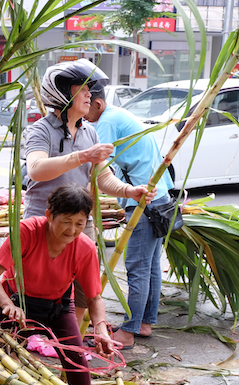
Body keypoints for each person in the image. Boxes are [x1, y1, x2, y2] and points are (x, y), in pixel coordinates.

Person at [24, 59, 155, 323]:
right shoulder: (40, 130)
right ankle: (34, 333)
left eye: (90, 89)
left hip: (81, 222)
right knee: (37, 283)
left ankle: (72, 335)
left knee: (82, 284)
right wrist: (82, 156)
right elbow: (36, 169)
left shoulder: (90, 132)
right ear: (61, 91)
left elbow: (102, 176)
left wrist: (129, 191)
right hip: (44, 221)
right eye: (83, 88)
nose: (89, 95)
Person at [0, 185, 115, 385]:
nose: (72, 230)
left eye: (79, 224)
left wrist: (100, 328)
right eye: (66, 222)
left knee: (77, 362)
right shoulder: (26, 231)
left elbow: (94, 298)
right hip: (15, 304)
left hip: (57, 307)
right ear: (49, 216)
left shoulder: (85, 247)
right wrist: (7, 305)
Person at [84, 81, 175, 349]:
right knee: (149, 266)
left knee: (137, 266)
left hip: (143, 199)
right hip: (159, 196)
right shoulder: (120, 116)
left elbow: (97, 169)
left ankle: (129, 330)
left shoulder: (106, 122)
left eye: (87, 108)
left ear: (97, 104)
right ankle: (144, 323)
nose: (85, 118)